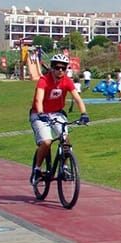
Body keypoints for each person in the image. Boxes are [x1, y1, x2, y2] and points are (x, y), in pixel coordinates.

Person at [29, 53, 88, 185]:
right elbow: (39, 99)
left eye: (63, 68)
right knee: (47, 142)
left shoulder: (67, 81)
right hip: (40, 114)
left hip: (57, 113)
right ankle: (37, 169)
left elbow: (77, 98)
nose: (60, 70)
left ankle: (65, 167)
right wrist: (40, 112)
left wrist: (84, 113)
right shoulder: (44, 80)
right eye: (57, 67)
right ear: (52, 68)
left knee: (65, 139)